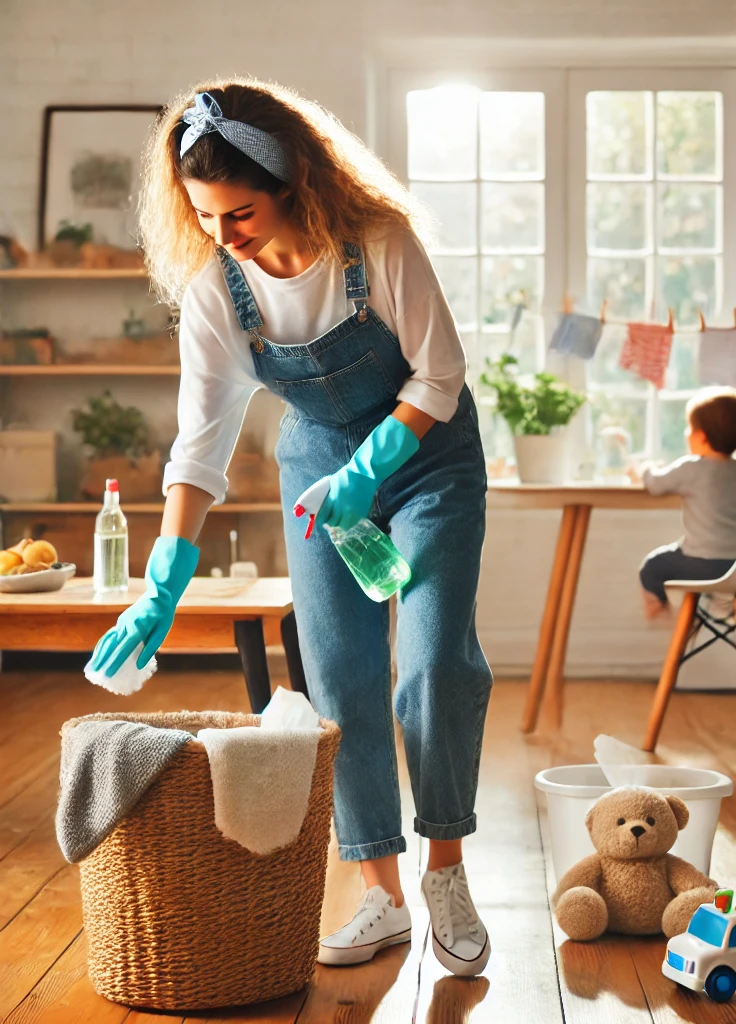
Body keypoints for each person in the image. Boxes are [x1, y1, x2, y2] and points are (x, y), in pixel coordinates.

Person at [86, 80, 493, 977]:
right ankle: (380, 891)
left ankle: (446, 869)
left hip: (427, 461)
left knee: (432, 662)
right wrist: (163, 582)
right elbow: (199, 448)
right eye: (202, 213)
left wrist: (371, 469)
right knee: (340, 678)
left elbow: (439, 375)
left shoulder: (378, 242)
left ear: (294, 181)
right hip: (315, 469)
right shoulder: (215, 292)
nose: (222, 233)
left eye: (240, 211)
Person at [639, 387, 736, 621]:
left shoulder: (691, 468)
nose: (687, 434)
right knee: (716, 566)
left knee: (652, 566)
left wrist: (644, 470)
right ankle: (721, 600)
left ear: (702, 437)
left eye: (690, 428)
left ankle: (659, 606)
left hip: (699, 565)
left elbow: (655, 485)